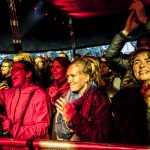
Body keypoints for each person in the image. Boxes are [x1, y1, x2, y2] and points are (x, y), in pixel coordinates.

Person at [54, 56, 112, 142]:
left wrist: (73, 117)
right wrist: (69, 125)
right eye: (68, 76)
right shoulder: (66, 97)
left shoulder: (99, 99)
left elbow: (99, 136)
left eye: (73, 76)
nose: (69, 80)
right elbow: (58, 131)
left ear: (86, 77)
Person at [0, 60, 50, 139]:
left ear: (28, 74)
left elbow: (42, 129)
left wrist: (14, 129)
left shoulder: (40, 96)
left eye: (16, 70)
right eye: (11, 70)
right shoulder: (10, 93)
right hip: (11, 146)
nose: (12, 73)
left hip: (29, 146)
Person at [112, 47, 150, 145]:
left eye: (148, 61)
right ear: (132, 69)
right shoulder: (122, 98)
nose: (142, 65)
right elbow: (128, 136)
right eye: (137, 62)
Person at [105, 1, 150, 80]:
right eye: (140, 45)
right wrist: (126, 31)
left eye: (147, 44)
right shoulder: (133, 66)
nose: (143, 47)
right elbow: (110, 56)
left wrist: (144, 20)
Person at [46, 57, 71, 139]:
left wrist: (56, 100)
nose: (53, 70)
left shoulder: (72, 87)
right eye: (52, 67)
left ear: (66, 69)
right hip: (51, 129)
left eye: (58, 67)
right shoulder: (50, 88)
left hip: (66, 133)